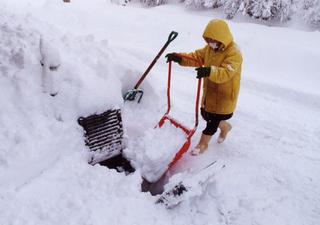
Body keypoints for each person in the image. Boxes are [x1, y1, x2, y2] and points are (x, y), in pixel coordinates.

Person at [165, 19, 243, 155]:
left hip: (224, 96)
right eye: (207, 40)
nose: (209, 43)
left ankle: (203, 145)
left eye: (211, 40)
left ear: (221, 37)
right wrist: (179, 58)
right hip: (211, 92)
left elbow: (226, 72)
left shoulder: (234, 53)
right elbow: (195, 57)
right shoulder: (209, 49)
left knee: (211, 123)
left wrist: (209, 71)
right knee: (207, 115)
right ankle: (225, 127)